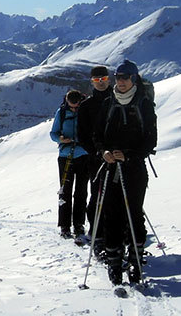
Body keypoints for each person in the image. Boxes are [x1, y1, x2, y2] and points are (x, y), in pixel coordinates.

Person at [93, 60, 157, 285]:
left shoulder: (144, 104)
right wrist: (103, 151)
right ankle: (114, 261)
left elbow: (150, 140)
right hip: (111, 167)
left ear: (134, 79)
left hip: (134, 168)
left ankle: (135, 259)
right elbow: (97, 135)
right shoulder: (109, 103)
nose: (120, 82)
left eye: (125, 78)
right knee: (112, 214)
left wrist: (129, 155)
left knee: (134, 214)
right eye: (118, 77)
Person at [77, 65, 113, 258]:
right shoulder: (86, 106)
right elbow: (82, 135)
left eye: (103, 79)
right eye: (97, 80)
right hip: (96, 159)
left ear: (109, 79)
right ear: (92, 82)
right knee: (98, 195)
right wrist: (96, 152)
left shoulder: (118, 100)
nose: (101, 83)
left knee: (117, 196)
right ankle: (97, 234)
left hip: (118, 156)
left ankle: (117, 235)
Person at [50, 89, 90, 239]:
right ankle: (65, 226)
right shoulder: (61, 113)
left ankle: (79, 224)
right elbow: (53, 133)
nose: (74, 109)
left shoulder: (85, 111)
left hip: (83, 155)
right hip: (66, 156)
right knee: (65, 191)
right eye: (71, 106)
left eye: (76, 106)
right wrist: (61, 139)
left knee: (81, 191)